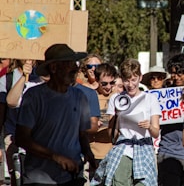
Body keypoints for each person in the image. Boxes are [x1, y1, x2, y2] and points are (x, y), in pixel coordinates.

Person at [15, 44, 96, 185]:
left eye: (75, 63)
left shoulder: (80, 97)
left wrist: (88, 153)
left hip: (71, 178)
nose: (75, 69)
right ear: (53, 68)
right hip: (40, 179)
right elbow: (22, 138)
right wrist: (55, 157)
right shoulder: (34, 97)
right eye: (69, 64)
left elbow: (82, 134)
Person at [91, 58, 161, 186]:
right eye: (126, 80)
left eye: (133, 80)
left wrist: (149, 126)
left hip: (144, 148)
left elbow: (156, 133)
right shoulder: (116, 99)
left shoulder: (150, 99)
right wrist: (116, 117)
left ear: (140, 78)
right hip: (123, 148)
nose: (130, 84)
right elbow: (112, 135)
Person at [157, 53, 184, 186]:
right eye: (173, 73)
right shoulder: (163, 94)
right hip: (168, 152)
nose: (176, 77)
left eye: (180, 73)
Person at [88, 63, 120, 179]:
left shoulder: (119, 97)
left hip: (114, 153)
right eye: (104, 83)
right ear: (96, 80)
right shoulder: (90, 96)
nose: (108, 87)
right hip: (94, 154)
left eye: (112, 83)